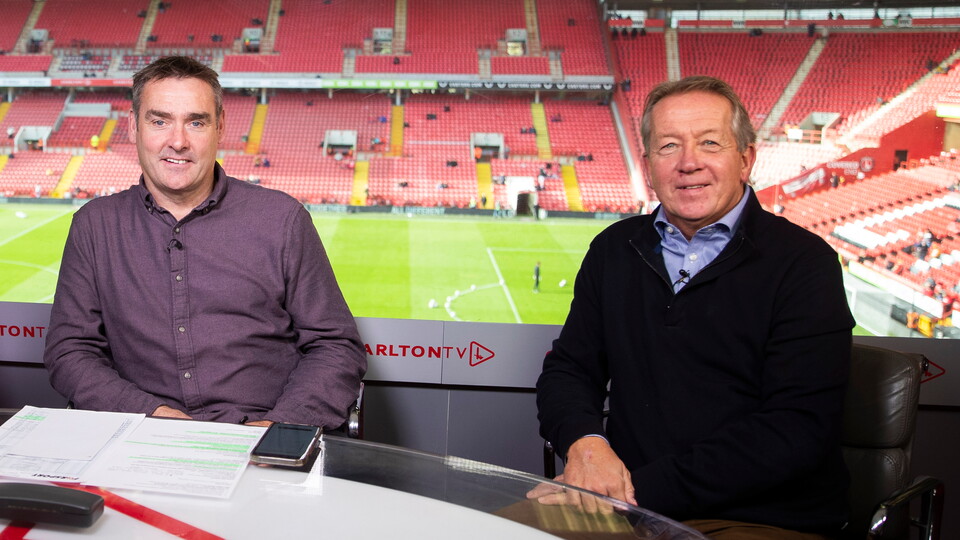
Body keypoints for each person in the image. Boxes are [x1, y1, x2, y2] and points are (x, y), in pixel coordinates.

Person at [534, 76, 853, 539]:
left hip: (759, 518)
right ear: (647, 165)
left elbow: (794, 432)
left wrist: (630, 491)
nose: (688, 163)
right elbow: (568, 370)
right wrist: (586, 445)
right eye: (668, 146)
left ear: (746, 158)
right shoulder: (613, 249)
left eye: (709, 142)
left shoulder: (805, 264)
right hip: (623, 506)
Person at [44, 56, 366, 429]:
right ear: (132, 127)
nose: (177, 142)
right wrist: (150, 417)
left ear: (220, 127)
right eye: (159, 120)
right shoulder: (94, 225)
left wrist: (279, 429)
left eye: (196, 122)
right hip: (141, 439)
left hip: (261, 438)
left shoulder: (282, 220)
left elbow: (335, 347)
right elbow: (70, 351)